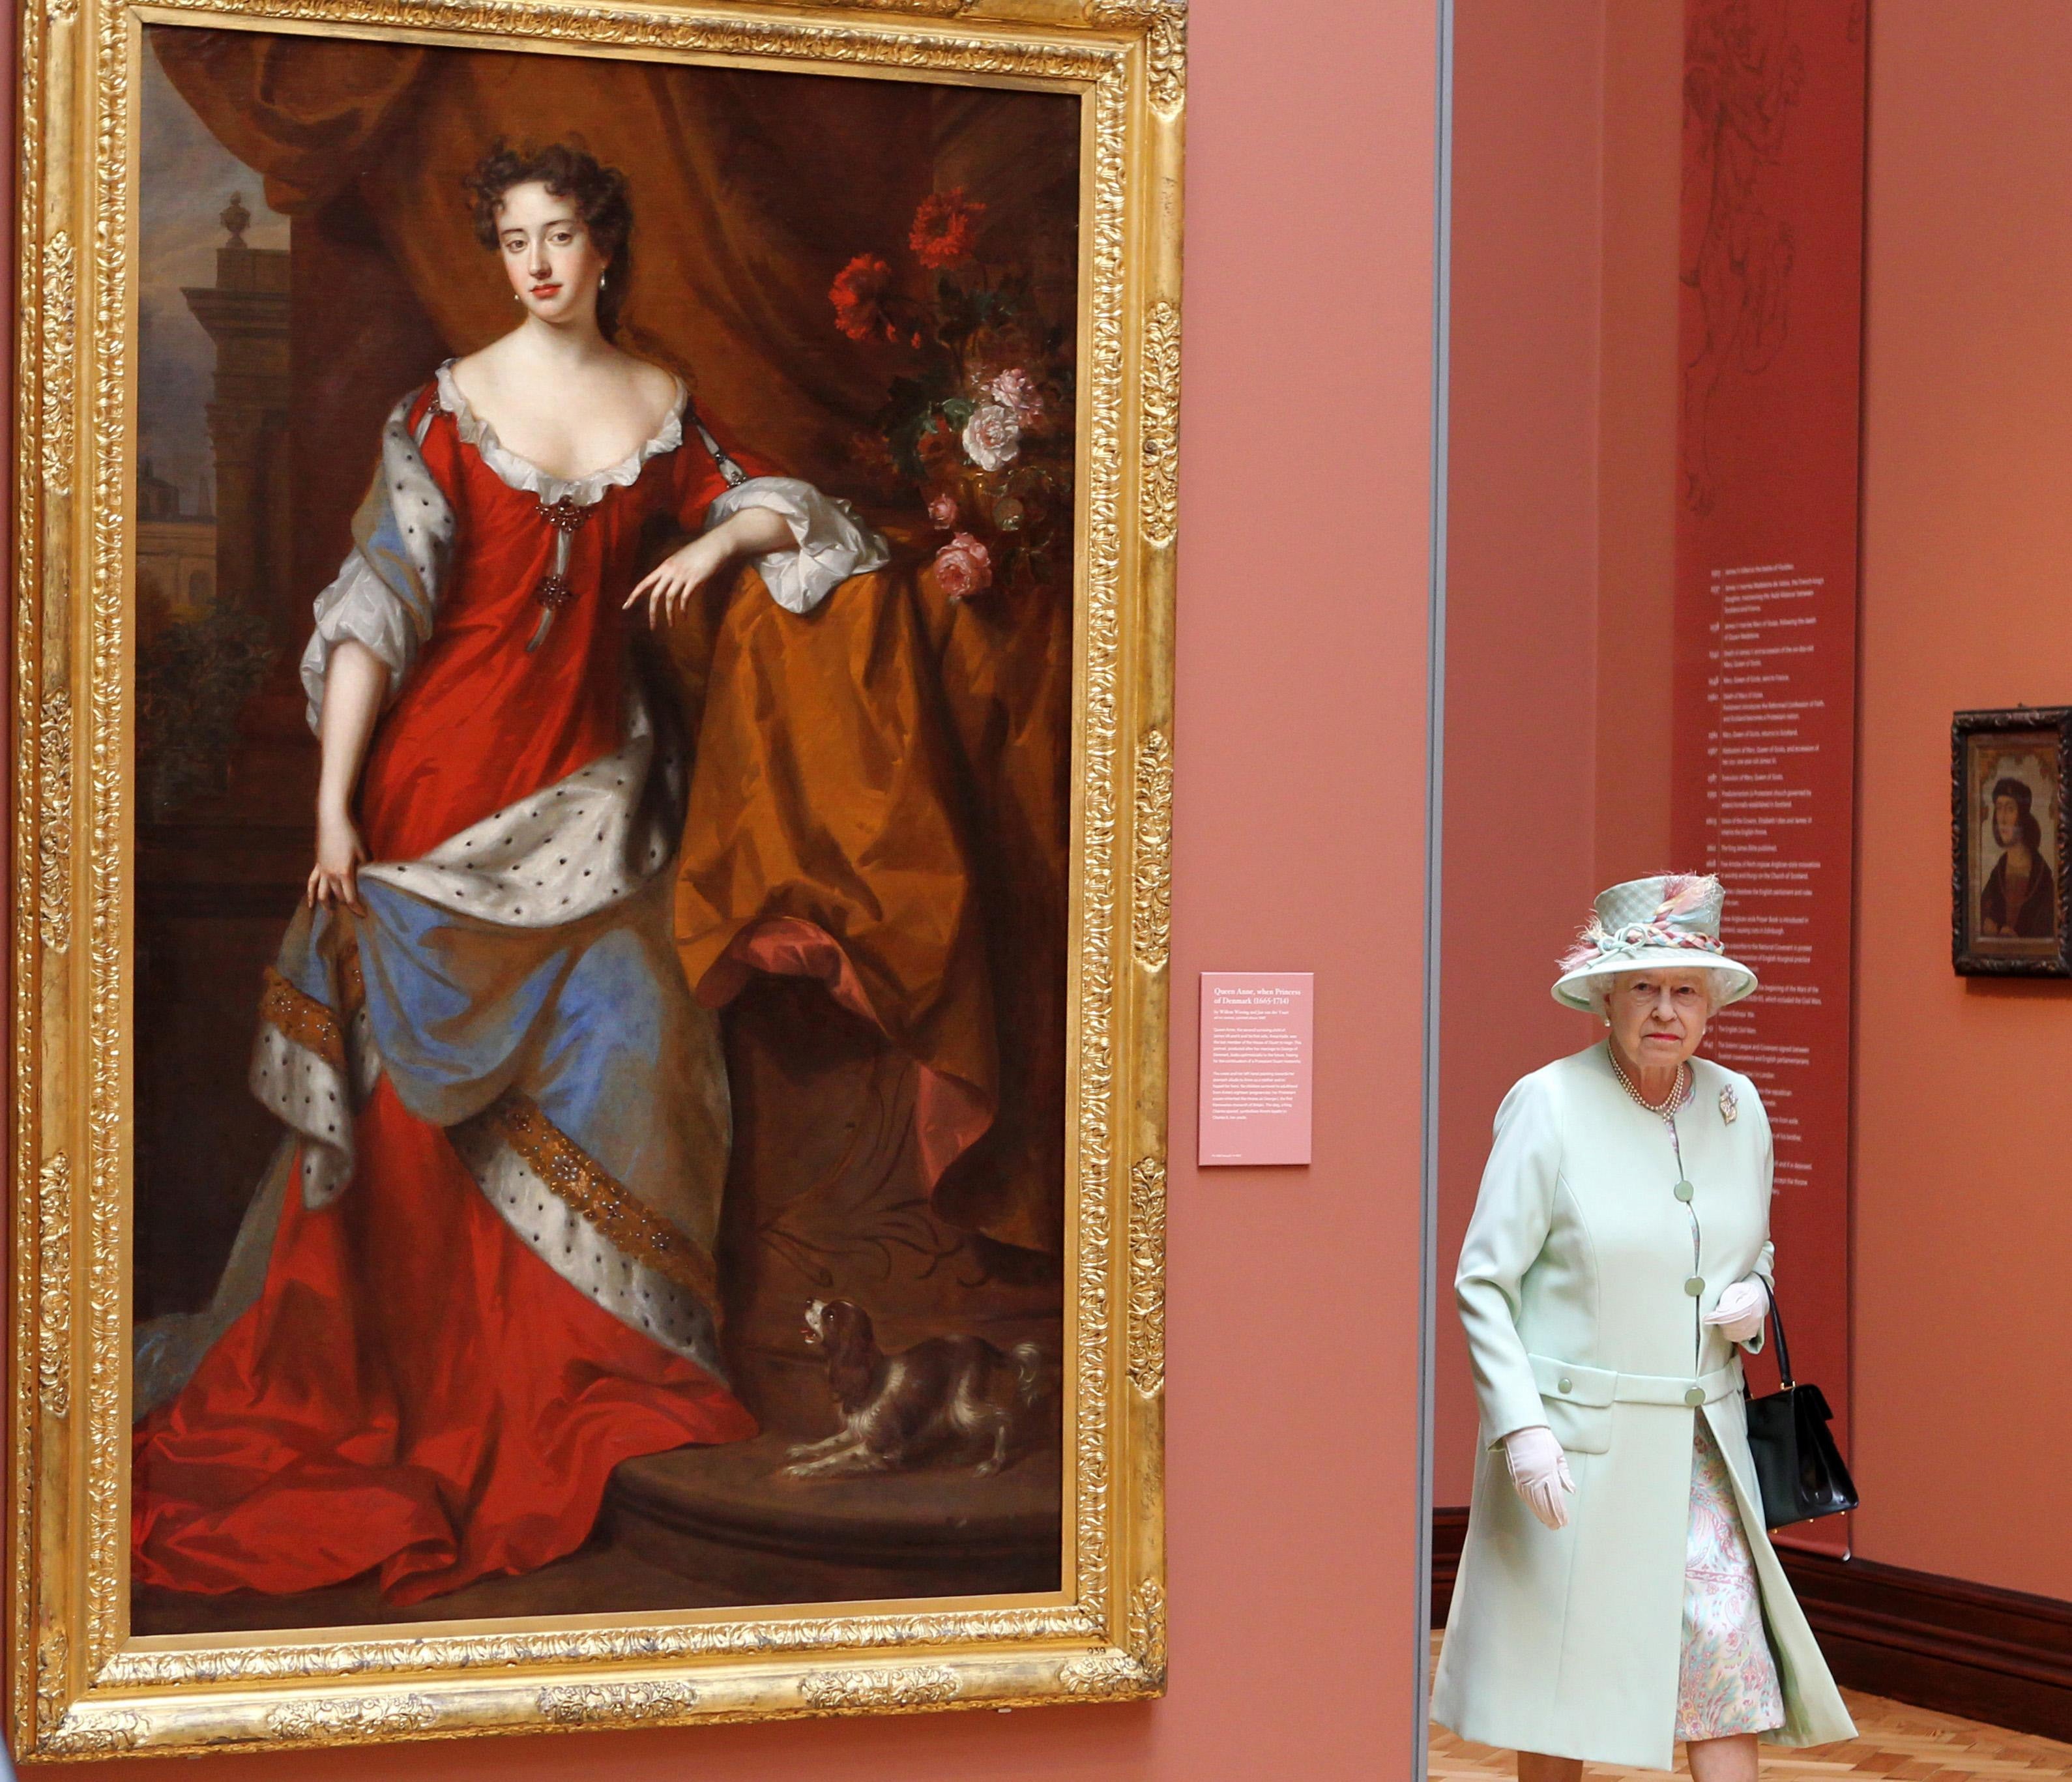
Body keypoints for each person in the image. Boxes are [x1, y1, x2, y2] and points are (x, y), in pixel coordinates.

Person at [130, 141, 888, 1605]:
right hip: (431, 812)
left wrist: (723, 534)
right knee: (406, 1136)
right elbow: (374, 615)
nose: (536, 264)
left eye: (561, 238)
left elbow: (804, 514)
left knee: (636, 1051)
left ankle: (584, 1383)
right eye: (514, 241)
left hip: (593, 815)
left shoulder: (661, 408)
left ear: (605, 249)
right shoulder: (445, 404)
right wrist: (338, 807)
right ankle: (407, 1400)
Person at [1431, 874, 1855, 1778]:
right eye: (1643, 987)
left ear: (1709, 1004)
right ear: (1603, 996)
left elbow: (1750, 1249)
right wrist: (1521, 1428)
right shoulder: (1545, 1104)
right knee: (1561, 1692)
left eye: (1684, 989)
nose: (1664, 1009)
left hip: (1703, 1448)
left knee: (1725, 1671)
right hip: (1573, 1453)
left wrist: (1751, 1299)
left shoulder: (1737, 1108)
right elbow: (1482, 1281)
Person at [1980, 775, 2057, 939]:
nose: (2002, 819)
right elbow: (1980, 916)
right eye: (1999, 808)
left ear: (2021, 817)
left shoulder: (2041, 875)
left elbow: (2048, 930)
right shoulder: (1998, 872)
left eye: (2010, 809)